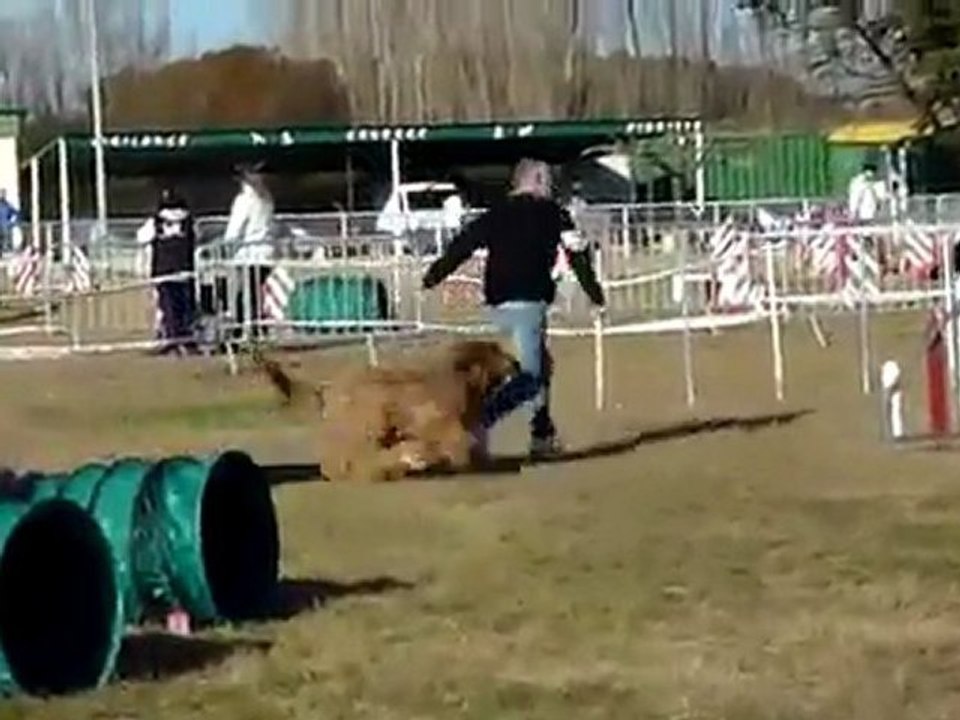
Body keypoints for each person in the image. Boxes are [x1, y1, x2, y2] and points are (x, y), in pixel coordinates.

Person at [421, 158, 606, 460]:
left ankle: (542, 434)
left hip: (498, 303)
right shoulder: (553, 213)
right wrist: (595, 294)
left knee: (540, 367)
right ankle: (478, 422)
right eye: (547, 178)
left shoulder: (496, 213)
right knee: (531, 377)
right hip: (528, 301)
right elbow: (577, 255)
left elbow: (462, 245)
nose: (551, 185)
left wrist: (433, 276)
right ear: (536, 180)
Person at [136, 186, 199, 356]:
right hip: (185, 268)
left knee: (168, 305)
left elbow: (141, 237)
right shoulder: (189, 221)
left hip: (163, 269)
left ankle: (173, 339)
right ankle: (186, 338)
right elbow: (196, 238)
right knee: (184, 305)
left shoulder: (156, 221)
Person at [224, 164, 275, 337]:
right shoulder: (267, 197)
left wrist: (226, 244)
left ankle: (241, 330)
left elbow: (235, 229)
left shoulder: (244, 200)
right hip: (266, 252)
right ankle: (257, 327)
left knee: (243, 294)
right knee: (255, 292)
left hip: (248, 254)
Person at [0, 189, 20, 257]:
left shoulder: (8, 205)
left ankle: (5, 252)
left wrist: (12, 222)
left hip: (6, 226)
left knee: (5, 240)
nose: (3, 195)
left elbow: (16, 213)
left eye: (4, 194)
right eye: (2, 194)